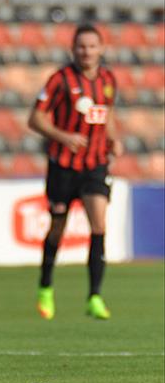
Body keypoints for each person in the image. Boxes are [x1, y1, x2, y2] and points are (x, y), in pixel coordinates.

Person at [27, 24, 123, 321]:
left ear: (101, 49)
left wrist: (114, 139)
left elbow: (107, 116)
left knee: (99, 224)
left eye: (92, 46)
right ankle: (46, 286)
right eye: (81, 46)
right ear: (73, 49)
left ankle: (95, 296)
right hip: (63, 166)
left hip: (95, 164)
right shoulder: (60, 80)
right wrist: (63, 136)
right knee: (58, 226)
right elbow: (35, 119)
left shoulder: (108, 80)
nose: (87, 52)